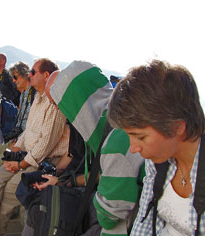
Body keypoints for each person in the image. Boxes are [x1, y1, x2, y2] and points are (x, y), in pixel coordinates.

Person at [0, 58, 68, 236]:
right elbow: (28, 131)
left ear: (46, 75)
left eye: (33, 72)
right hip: (25, 156)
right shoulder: (38, 98)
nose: (29, 75)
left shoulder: (55, 103)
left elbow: (45, 144)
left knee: (8, 192)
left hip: (40, 161)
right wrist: (16, 149)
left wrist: (21, 164)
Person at [106, 60, 205, 236]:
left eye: (140, 137)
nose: (134, 148)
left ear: (177, 127)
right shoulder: (158, 162)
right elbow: (144, 221)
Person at [43, 61, 144, 236]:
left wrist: (65, 183)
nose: (60, 110)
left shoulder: (116, 135)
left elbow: (109, 216)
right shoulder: (116, 120)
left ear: (76, 100)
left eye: (60, 103)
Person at [0, 61, 36, 170]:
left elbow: (32, 125)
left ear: (25, 75)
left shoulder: (35, 95)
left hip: (26, 141)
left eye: (15, 77)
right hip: (18, 138)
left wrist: (19, 142)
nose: (13, 80)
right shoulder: (23, 95)